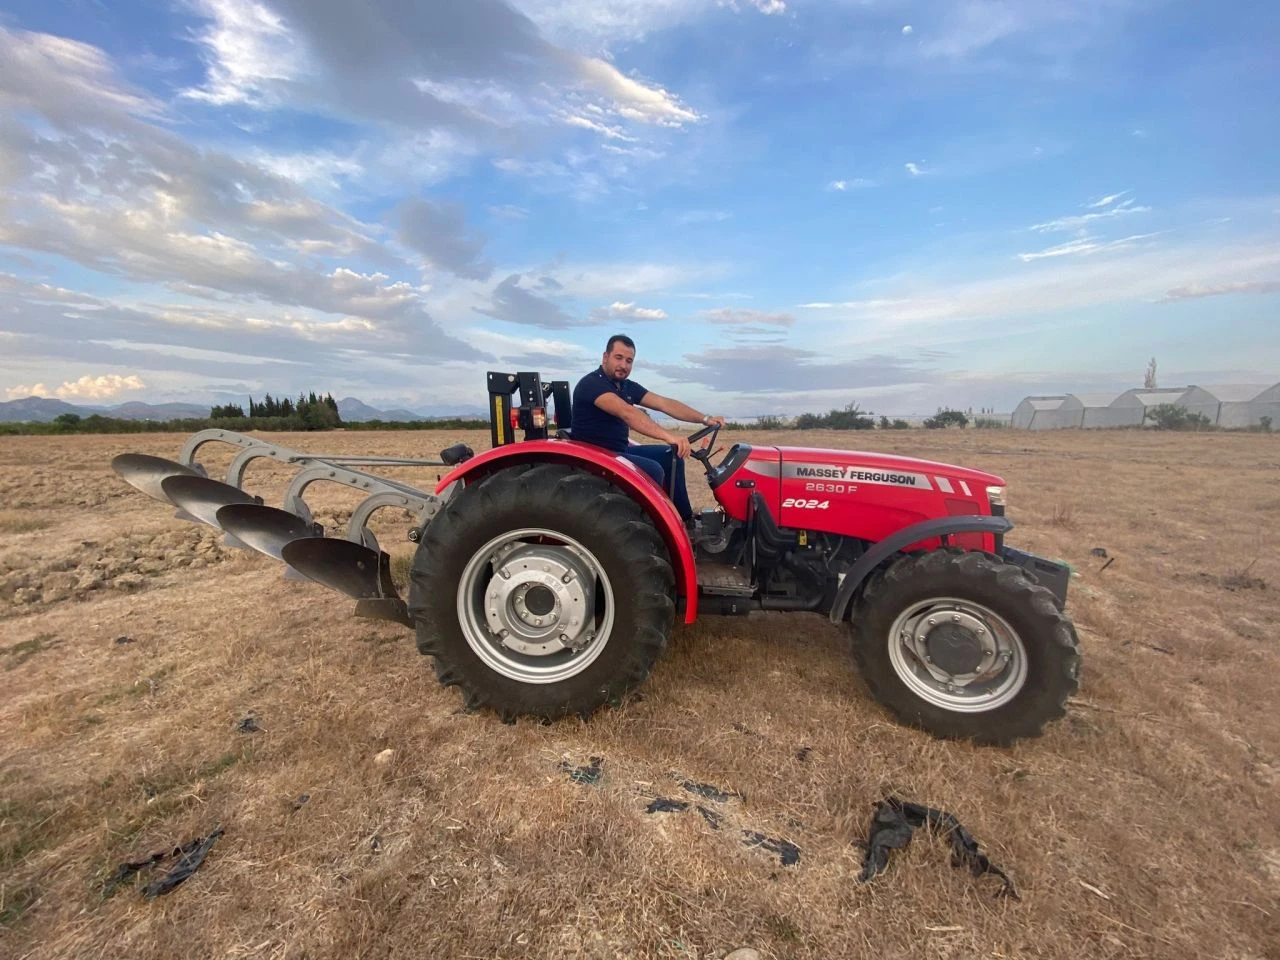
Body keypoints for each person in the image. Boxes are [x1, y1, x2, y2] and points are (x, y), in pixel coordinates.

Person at [570, 334, 725, 526]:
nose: (624, 365)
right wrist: (669, 436)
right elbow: (627, 413)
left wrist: (705, 419)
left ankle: (685, 521)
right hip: (597, 455)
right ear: (605, 357)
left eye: (629, 361)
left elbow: (664, 404)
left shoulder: (625, 386)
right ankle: (655, 528)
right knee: (653, 470)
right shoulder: (592, 384)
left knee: (672, 456)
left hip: (618, 450)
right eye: (618, 358)